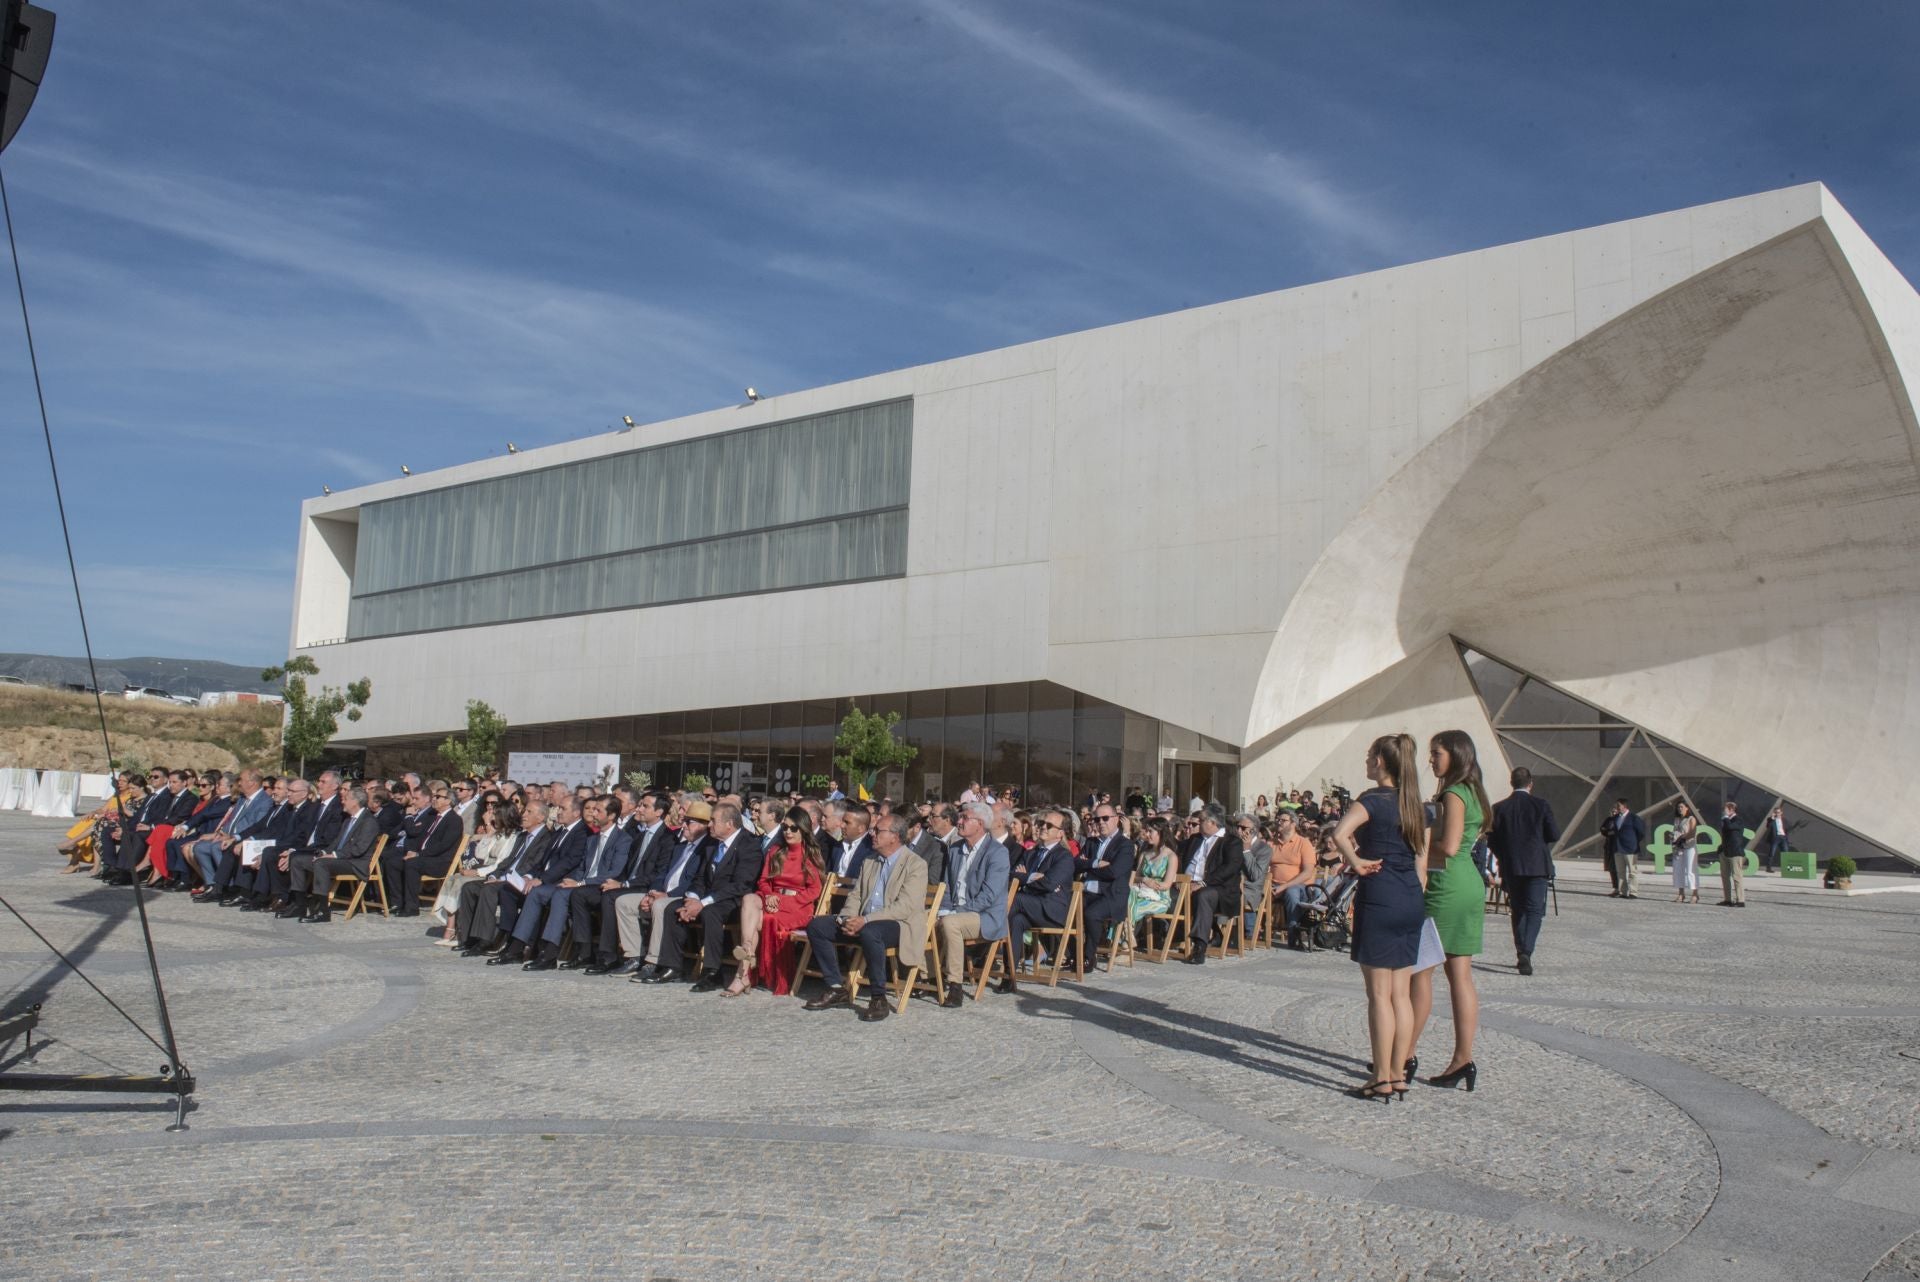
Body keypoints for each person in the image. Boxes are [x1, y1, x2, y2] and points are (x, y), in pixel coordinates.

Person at [1331, 733, 1428, 1102]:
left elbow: (1340, 834)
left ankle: (1381, 1076)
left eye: (1370, 756)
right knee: (1401, 995)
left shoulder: (1371, 800)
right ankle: (1399, 1072)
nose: (1367, 761)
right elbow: (1422, 863)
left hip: (1381, 895)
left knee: (1378, 995)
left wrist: (1356, 862)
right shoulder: (1415, 803)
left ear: (1381, 763)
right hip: (1410, 898)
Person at [1409, 730, 1490, 1093]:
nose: (1431, 759)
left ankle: (1403, 1054)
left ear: (1455, 755)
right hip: (1467, 885)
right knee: (1460, 976)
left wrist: (1417, 843)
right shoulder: (1473, 792)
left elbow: (1450, 846)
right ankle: (1463, 1057)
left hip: (1447, 887)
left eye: (1436, 753)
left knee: (1420, 973)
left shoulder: (1454, 793)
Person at [801, 815, 928, 1022]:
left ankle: (879, 998)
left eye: (878, 831)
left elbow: (905, 907)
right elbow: (856, 895)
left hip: (898, 925)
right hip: (863, 921)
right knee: (817, 925)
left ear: (894, 837)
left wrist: (865, 920)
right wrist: (846, 918)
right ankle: (836, 987)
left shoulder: (915, 864)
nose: (873, 834)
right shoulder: (870, 860)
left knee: (871, 932)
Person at [658, 802, 764, 992]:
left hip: (733, 900)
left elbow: (741, 884)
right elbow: (700, 877)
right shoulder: (712, 843)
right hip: (708, 897)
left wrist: (703, 903)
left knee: (711, 913)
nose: (709, 825)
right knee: (673, 908)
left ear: (729, 824)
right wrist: (692, 898)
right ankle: (672, 966)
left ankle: (712, 972)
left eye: (714, 821)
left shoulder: (749, 845)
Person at [569, 790, 674, 971]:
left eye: (644, 806)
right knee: (579, 894)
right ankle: (584, 952)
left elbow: (659, 873)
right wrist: (614, 881)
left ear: (659, 812)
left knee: (610, 897)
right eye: (640, 804)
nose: (638, 809)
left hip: (644, 888)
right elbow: (626, 868)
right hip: (626, 884)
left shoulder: (667, 838)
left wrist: (624, 884)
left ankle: (608, 956)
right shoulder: (640, 836)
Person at [725, 806, 824, 996]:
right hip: (772, 899)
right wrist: (769, 895)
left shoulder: (810, 854)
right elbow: (763, 881)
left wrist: (782, 901)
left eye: (793, 828)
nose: (788, 832)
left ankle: (742, 974)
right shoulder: (776, 851)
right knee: (749, 898)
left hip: (797, 906)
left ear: (803, 829)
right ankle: (747, 949)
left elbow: (814, 890)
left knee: (757, 920)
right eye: (785, 827)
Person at [932, 802, 1009, 1008]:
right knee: (920, 918)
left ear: (980, 824)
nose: (959, 821)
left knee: (950, 924)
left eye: (965, 818)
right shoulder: (955, 849)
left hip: (985, 916)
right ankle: (925, 975)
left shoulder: (997, 853)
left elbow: (988, 897)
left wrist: (954, 912)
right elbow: (946, 885)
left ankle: (954, 985)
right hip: (955, 910)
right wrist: (943, 909)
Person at [1486, 767, 1560, 973]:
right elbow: (1554, 834)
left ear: (1511, 783)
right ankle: (1527, 950)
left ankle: (1521, 951)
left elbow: (1492, 840)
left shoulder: (1499, 808)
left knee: (1517, 910)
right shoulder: (1541, 805)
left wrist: (1505, 854)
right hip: (1537, 865)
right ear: (1530, 783)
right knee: (1535, 910)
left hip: (1512, 866)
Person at [454, 801, 553, 953]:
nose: (523, 815)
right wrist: (495, 874)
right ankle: (468, 937)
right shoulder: (522, 836)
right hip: (505, 876)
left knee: (489, 890)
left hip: (519, 880)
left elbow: (535, 864)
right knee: (469, 887)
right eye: (524, 811)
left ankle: (484, 940)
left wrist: (505, 878)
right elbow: (508, 860)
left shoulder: (547, 838)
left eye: (528, 812)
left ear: (540, 818)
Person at [996, 810, 1077, 992]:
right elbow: (1011, 876)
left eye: (1049, 826)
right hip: (1031, 905)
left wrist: (1026, 878)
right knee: (1015, 921)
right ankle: (1010, 975)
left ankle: (985, 947)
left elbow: (1048, 884)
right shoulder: (1032, 853)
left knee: (1014, 900)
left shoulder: (1063, 856)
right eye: (1041, 823)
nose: (1042, 828)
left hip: (1052, 909)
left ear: (1060, 833)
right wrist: (1033, 877)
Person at [294, 785, 381, 922]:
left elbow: (358, 850)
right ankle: (299, 905)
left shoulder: (369, 822)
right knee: (298, 860)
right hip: (340, 859)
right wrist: (324, 852)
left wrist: (334, 855)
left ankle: (322, 911)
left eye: (345, 799)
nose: (342, 801)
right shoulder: (348, 820)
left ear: (355, 802)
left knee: (321, 864)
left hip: (355, 863)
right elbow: (336, 842)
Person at [1179, 804, 1243, 965]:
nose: (1197, 824)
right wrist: (1178, 880)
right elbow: (1180, 859)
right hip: (1187, 884)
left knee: (1203, 895)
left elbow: (1230, 868)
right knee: (1162, 895)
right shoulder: (1194, 839)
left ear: (1212, 822)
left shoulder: (1231, 842)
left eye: (1200, 821)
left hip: (1219, 889)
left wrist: (1203, 883)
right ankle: (1162, 936)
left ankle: (1200, 946)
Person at [1077, 801, 1136, 966]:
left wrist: (1088, 865)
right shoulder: (1091, 843)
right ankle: (1072, 954)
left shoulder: (1125, 845)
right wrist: (1095, 863)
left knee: (1091, 914)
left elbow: (1114, 872)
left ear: (1116, 819)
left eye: (1105, 818)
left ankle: (1088, 957)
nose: (1101, 822)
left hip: (1112, 895)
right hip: (1087, 892)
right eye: (1097, 819)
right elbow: (1075, 864)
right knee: (1064, 909)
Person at [1266, 810, 1317, 949]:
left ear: (1293, 823)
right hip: (1273, 884)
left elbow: (1307, 872)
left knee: (1291, 891)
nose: (1278, 822)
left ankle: (1294, 935)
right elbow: (1263, 867)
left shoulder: (1303, 843)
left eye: (1283, 820)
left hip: (1299, 886)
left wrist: (1283, 886)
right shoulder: (1272, 844)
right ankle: (1248, 932)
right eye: (1278, 819)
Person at [1128, 818, 1177, 927]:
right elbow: (1135, 877)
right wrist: (1145, 880)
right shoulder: (1145, 854)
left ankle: (1124, 940)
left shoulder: (1171, 856)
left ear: (1161, 833)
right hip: (1140, 893)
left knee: (1130, 908)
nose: (1147, 834)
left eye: (1150, 831)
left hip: (1160, 898)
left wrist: (1151, 885)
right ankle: (1127, 937)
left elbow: (1166, 884)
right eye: (1147, 831)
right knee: (1126, 903)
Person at [1234, 813, 1272, 941]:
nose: (1239, 830)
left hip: (1250, 889)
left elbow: (1254, 875)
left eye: (1243, 828)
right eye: (1237, 827)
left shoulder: (1264, 849)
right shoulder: (1233, 844)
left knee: (1234, 894)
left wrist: (1246, 850)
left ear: (1253, 831)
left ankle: (1250, 932)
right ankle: (1219, 932)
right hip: (1233, 885)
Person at [1600, 800, 1646, 899]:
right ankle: (1622, 891)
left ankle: (1633, 892)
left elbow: (1641, 832)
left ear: (1624, 806)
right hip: (1618, 848)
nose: (1617, 807)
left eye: (1618, 805)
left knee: (1632, 871)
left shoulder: (1633, 818)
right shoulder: (1616, 818)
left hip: (1630, 849)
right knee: (1620, 871)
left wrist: (1633, 842)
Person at [1716, 800, 1748, 908]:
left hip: (1735, 852)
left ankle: (1740, 900)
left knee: (1737, 876)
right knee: (1725, 876)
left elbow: (1730, 828)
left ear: (1731, 809)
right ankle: (1727, 899)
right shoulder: (1726, 821)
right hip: (1725, 852)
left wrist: (1725, 818)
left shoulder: (1738, 820)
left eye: (1725, 809)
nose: (1723, 812)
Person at [1670, 801, 1701, 905]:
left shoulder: (1691, 819)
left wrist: (1682, 838)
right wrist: (1673, 837)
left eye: (1682, 807)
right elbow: (1675, 831)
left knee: (1690, 870)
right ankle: (1681, 893)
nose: (1680, 809)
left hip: (1689, 846)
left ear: (1687, 808)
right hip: (1678, 848)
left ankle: (1695, 894)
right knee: (1678, 870)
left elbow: (1692, 832)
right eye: (1678, 807)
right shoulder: (1677, 819)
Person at [1762, 805, 1788, 874]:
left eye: (1778, 812)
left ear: (1781, 813)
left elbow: (1787, 828)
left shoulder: (1784, 820)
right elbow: (1768, 826)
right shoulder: (1771, 819)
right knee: (1772, 853)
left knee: (1785, 853)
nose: (1777, 813)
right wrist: (1772, 818)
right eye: (1776, 812)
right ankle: (1768, 867)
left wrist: (1785, 836)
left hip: (1783, 837)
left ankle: (1786, 868)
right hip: (1775, 837)